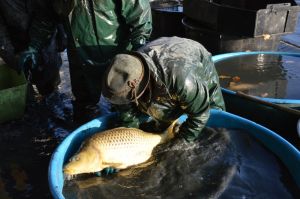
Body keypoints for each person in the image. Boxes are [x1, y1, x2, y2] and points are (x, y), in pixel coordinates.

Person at [30, 0, 152, 124]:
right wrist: (33, 47)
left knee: (127, 110)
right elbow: (45, 18)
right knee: (84, 110)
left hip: (118, 59)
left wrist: (139, 49)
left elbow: (140, 15)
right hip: (80, 58)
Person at [102, 37, 225, 142]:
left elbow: (200, 114)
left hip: (193, 58)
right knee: (160, 117)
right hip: (162, 56)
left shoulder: (183, 81)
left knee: (214, 124)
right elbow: (127, 114)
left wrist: (181, 142)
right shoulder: (123, 77)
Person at [0, 0, 65, 97]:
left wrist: (61, 31)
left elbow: (53, 10)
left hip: (48, 46)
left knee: (51, 92)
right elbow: (1, 34)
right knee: (26, 97)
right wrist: (13, 59)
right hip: (19, 51)